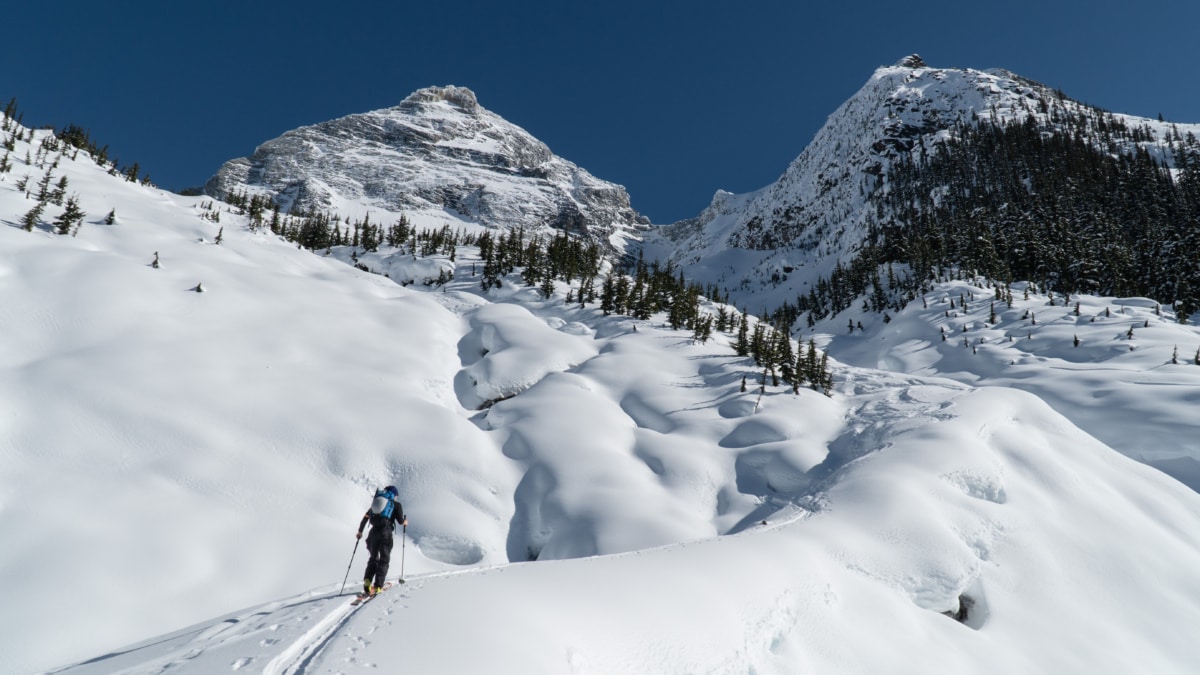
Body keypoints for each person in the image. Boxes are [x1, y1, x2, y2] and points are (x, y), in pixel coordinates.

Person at [356, 485, 407, 596]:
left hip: (373, 533)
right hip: (385, 533)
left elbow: (365, 517)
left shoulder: (376, 504)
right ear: (394, 495)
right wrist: (405, 522)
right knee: (384, 560)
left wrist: (360, 531)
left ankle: (367, 583)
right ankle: (378, 586)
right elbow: (400, 521)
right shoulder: (396, 505)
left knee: (373, 558)